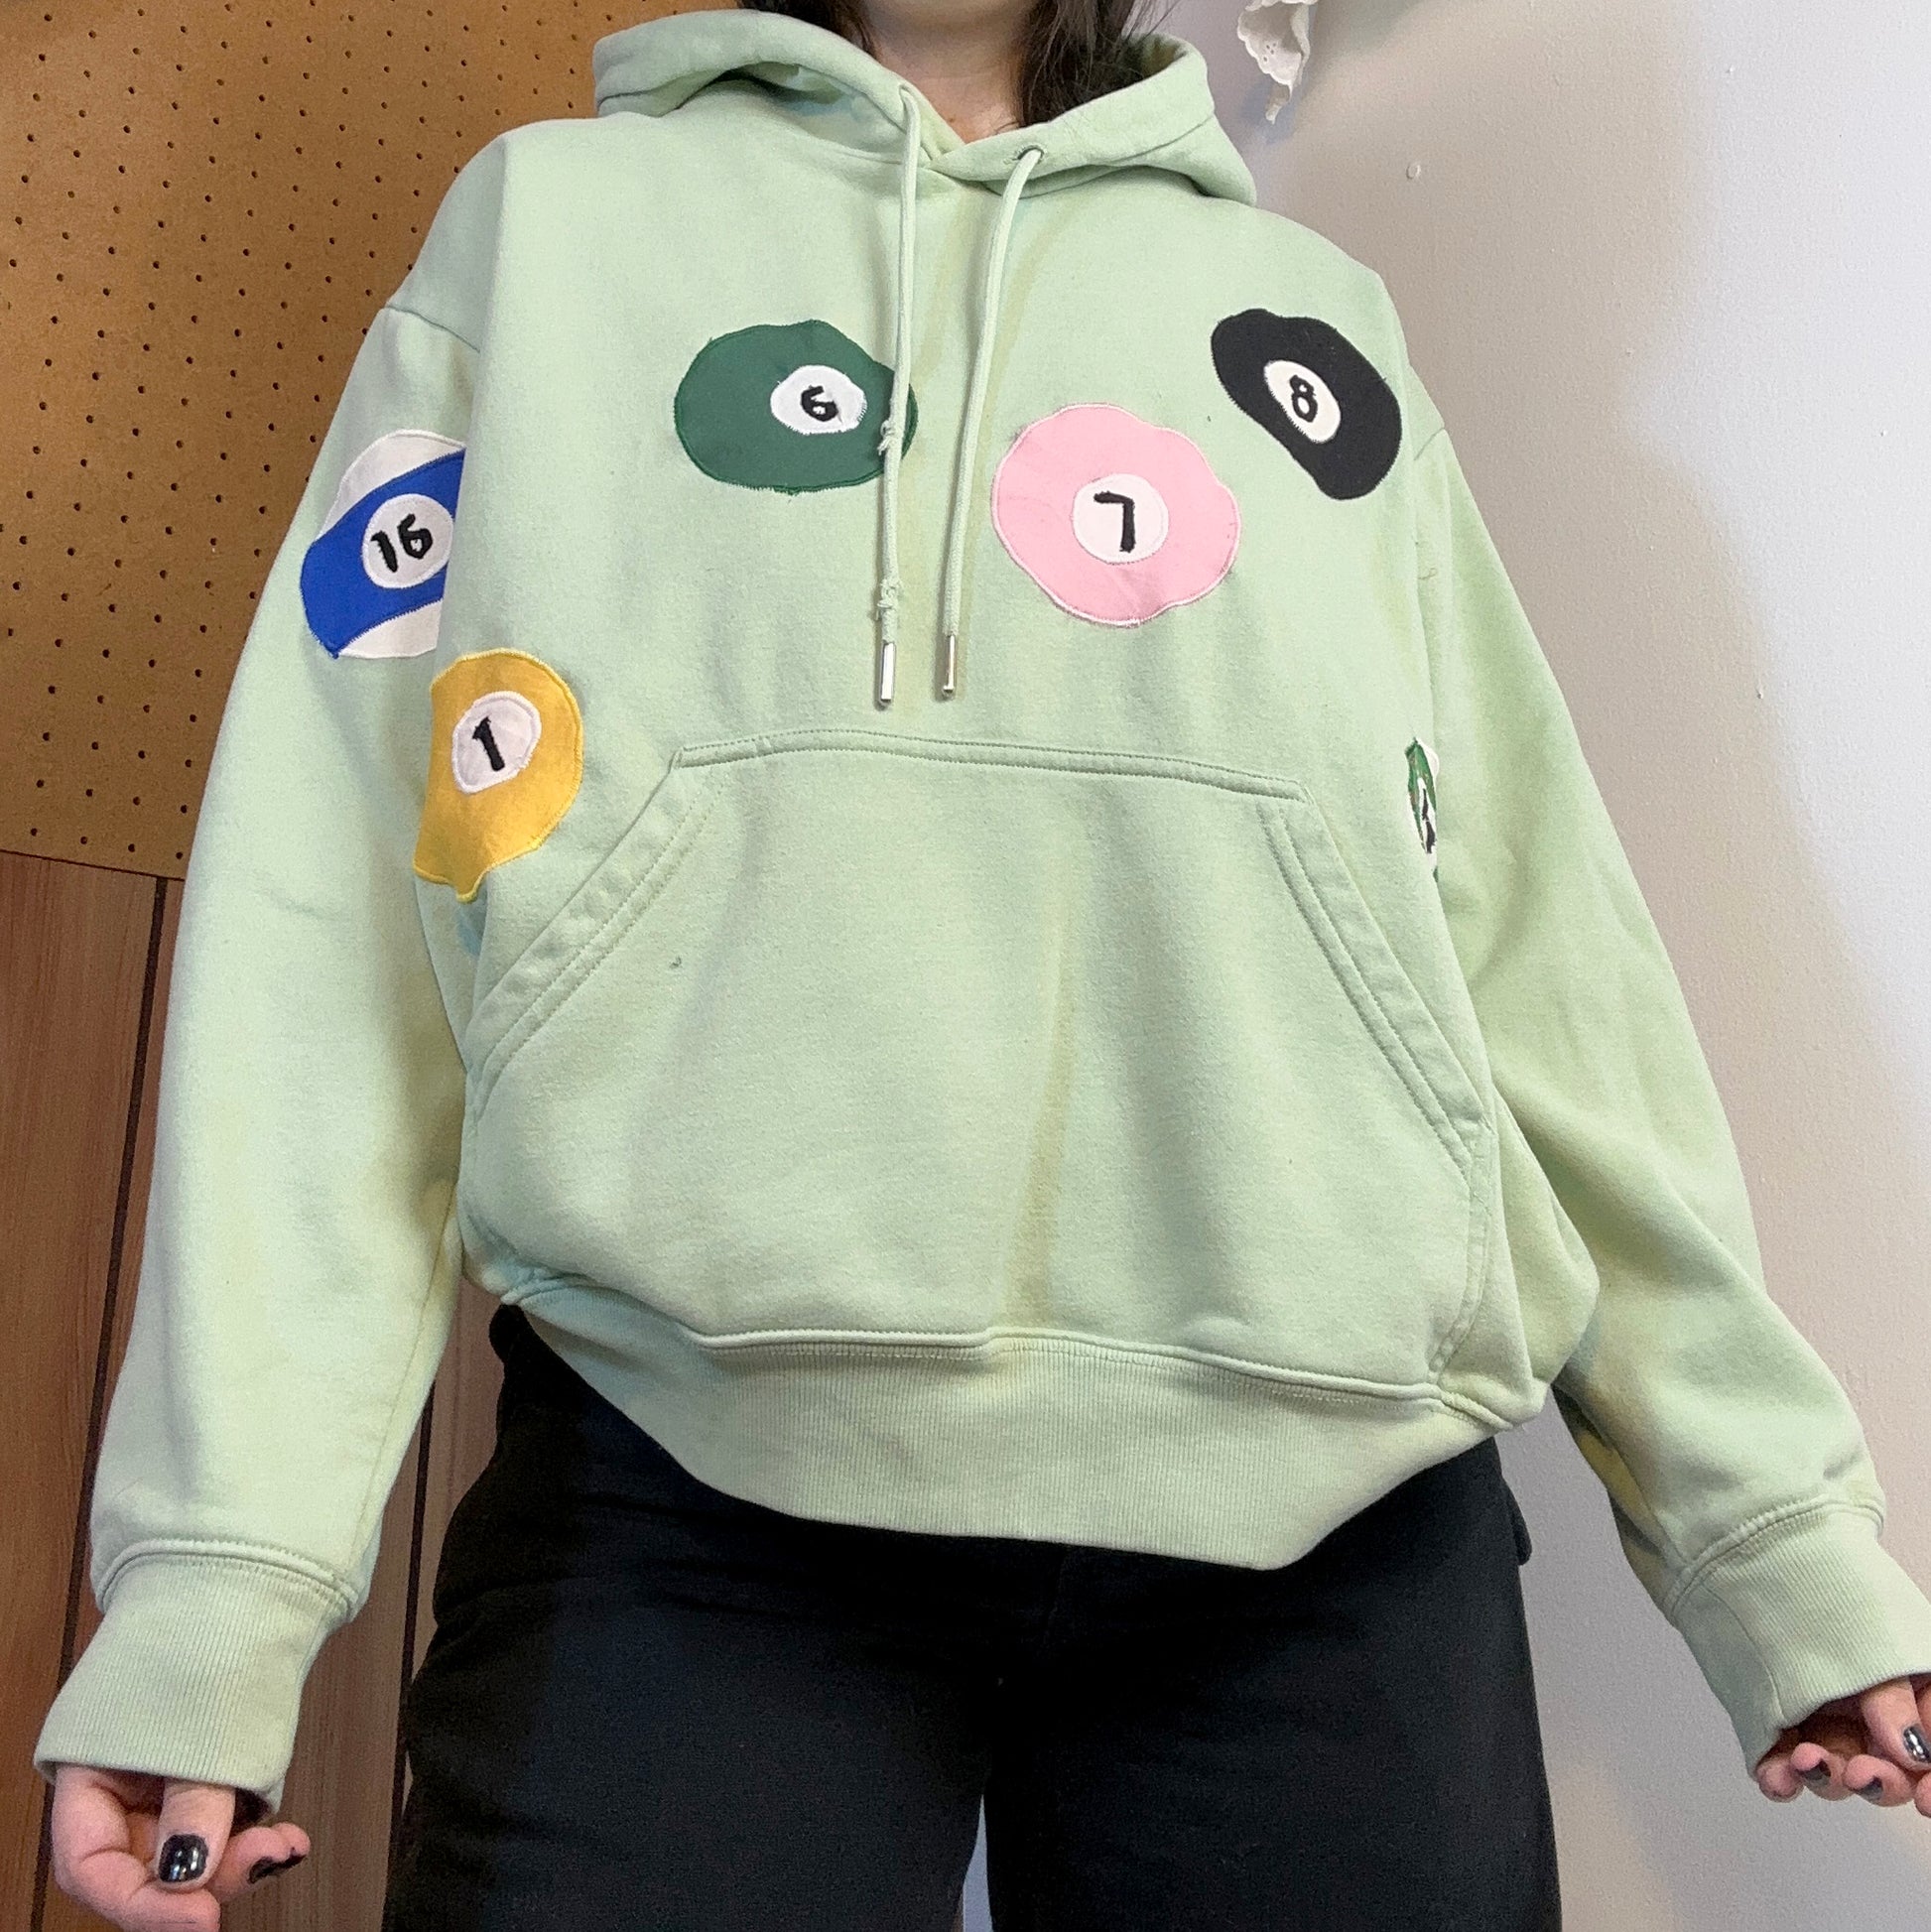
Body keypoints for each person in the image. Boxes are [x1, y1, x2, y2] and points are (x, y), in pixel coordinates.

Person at [34, 0, 1931, 1923]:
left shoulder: (1312, 315)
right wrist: (213, 1583)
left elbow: (1539, 961)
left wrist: (1771, 1528)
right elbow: (335, 921)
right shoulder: (544, 236)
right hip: (685, 1487)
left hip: (1341, 1538)